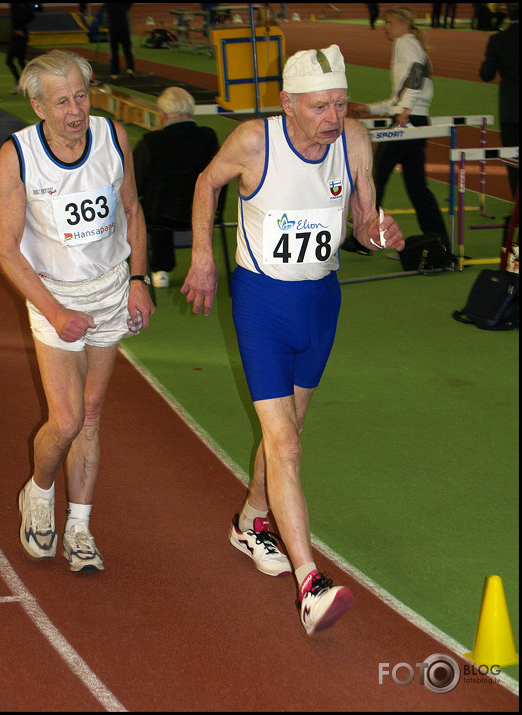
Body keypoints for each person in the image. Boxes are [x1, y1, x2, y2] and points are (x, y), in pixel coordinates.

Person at [181, 45, 404, 635]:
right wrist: (203, 255)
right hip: (262, 304)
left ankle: (252, 521)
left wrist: (381, 232)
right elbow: (207, 183)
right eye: (319, 107)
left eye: (339, 103)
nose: (332, 117)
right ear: (287, 104)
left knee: (290, 434)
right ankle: (311, 582)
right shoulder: (255, 142)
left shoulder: (355, 141)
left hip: (320, 304)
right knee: (283, 446)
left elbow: (362, 222)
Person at [0, 50, 154, 573]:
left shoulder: (112, 138)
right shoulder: (17, 156)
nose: (74, 110)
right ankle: (38, 495)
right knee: (63, 421)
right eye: (61, 101)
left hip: (109, 292)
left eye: (81, 96)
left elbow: (131, 210)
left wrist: (137, 279)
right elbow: (6, 248)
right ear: (38, 106)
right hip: (54, 297)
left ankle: (80, 528)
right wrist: (55, 311)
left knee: (90, 416)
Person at [352, 5, 449, 251]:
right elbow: (401, 94)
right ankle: (439, 238)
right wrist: (372, 109)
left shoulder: (406, 42)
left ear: (403, 23)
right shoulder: (410, 43)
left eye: (389, 22)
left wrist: (404, 110)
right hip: (416, 119)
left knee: (376, 175)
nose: (386, 27)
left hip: (408, 121)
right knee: (417, 187)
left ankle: (365, 236)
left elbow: (416, 74)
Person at [133, 87, 219, 288]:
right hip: (204, 211)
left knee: (152, 204)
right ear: (191, 110)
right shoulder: (208, 137)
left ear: (163, 114)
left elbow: (134, 184)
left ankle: (160, 269)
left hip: (160, 217)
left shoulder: (151, 142)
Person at [479, 3, 519, 198]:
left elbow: (486, 75)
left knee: (513, 160)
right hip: (510, 109)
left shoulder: (498, 40)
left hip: (511, 110)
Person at [6, 3, 34, 93]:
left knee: (11, 60)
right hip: (20, 35)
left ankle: (21, 84)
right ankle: (24, 84)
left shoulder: (16, 6)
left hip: (19, 36)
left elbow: (28, 16)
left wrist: (19, 28)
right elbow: (31, 16)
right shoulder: (19, 5)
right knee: (19, 61)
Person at [105, 3, 135, 79]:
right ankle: (129, 68)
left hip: (115, 28)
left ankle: (116, 72)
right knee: (126, 49)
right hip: (122, 28)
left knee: (115, 51)